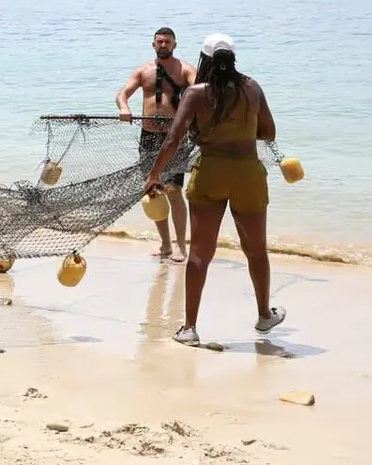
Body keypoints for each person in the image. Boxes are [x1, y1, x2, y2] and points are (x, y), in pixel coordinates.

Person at [144, 33, 287, 347]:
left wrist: (155, 173)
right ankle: (264, 315)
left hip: (210, 173)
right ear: (233, 59)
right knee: (256, 249)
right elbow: (269, 132)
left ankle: (190, 329)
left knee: (200, 253)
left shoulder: (196, 93)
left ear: (205, 60)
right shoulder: (252, 88)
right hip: (248, 174)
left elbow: (173, 140)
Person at [116, 26, 197, 263]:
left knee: (173, 191)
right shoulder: (143, 71)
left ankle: (181, 246)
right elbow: (122, 94)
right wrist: (124, 108)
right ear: (153, 45)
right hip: (149, 135)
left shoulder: (186, 69)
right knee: (153, 190)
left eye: (168, 42)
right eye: (159, 42)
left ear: (175, 44)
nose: (163, 45)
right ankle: (164, 245)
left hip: (175, 136)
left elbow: (200, 91)